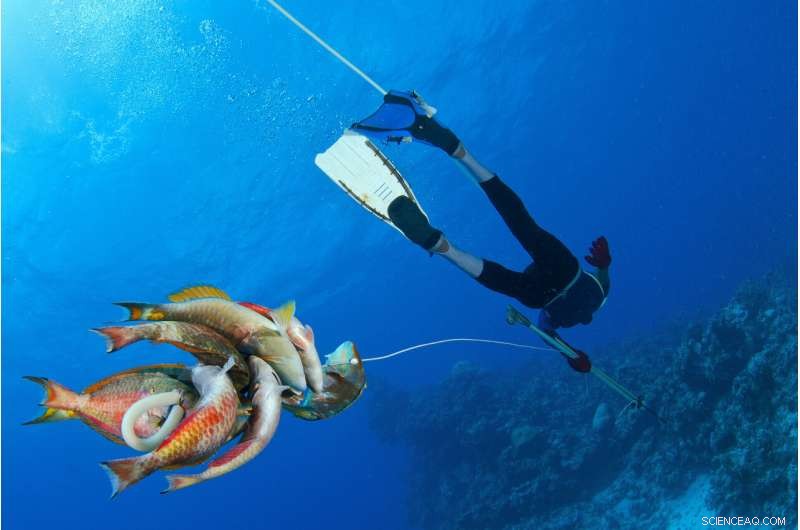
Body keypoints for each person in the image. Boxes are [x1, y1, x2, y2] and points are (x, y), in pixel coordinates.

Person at [355, 92, 611, 370]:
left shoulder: (598, 295)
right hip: (541, 296)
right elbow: (547, 333)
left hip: (567, 269)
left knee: (522, 223)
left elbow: (602, 280)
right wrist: (570, 354)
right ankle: (441, 246)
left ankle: (461, 153)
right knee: (501, 280)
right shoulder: (559, 314)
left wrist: (604, 264)